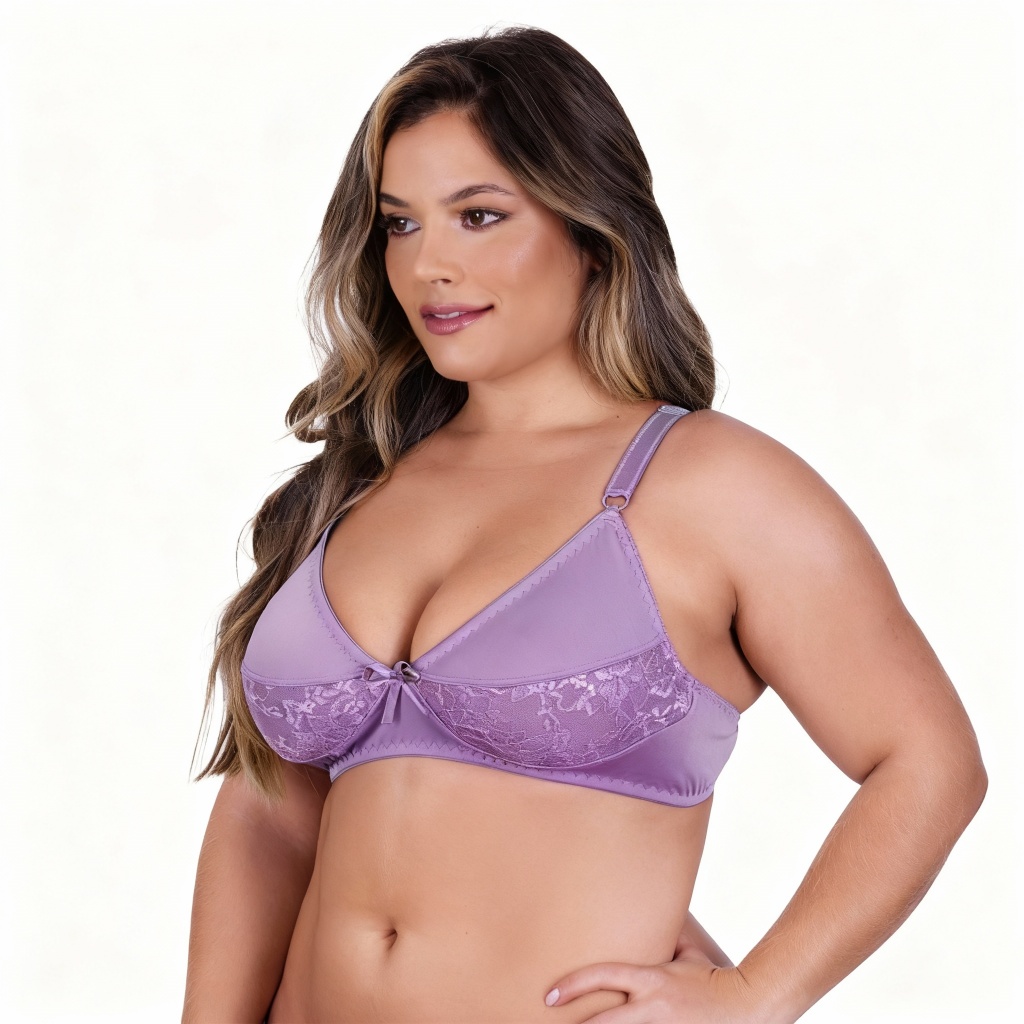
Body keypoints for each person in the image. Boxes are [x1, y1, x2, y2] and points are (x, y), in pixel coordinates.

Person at [182, 24, 986, 1024]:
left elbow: (927, 762)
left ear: (591, 229)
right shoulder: (358, 485)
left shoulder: (710, 487)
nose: (429, 263)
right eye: (400, 224)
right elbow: (270, 812)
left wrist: (753, 995)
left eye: (479, 215)